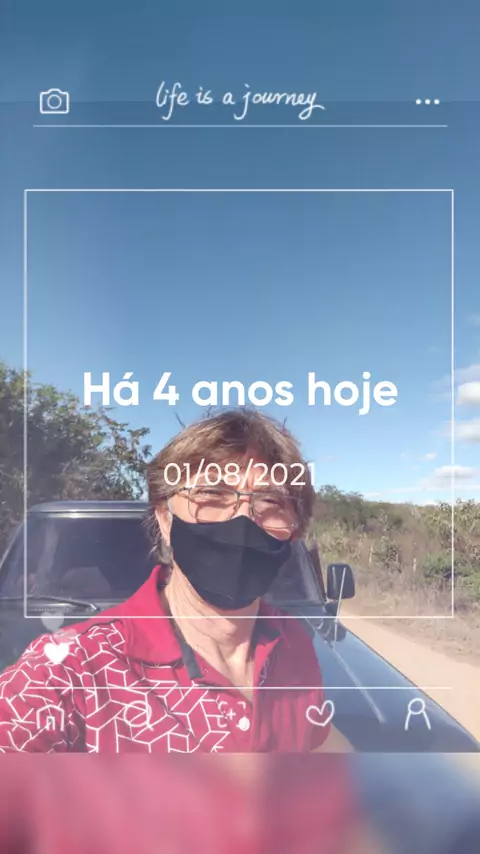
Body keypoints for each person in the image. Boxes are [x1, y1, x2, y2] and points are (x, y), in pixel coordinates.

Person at [0, 408, 349, 753]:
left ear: (293, 531)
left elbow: (319, 744)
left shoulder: (293, 642)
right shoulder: (67, 672)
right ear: (165, 520)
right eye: (211, 494)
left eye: (271, 501)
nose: (243, 519)